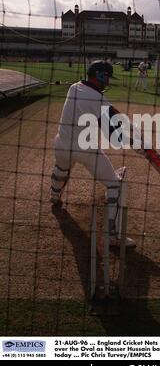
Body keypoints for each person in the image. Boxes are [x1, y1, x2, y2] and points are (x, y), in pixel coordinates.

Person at [50, 59, 136, 248]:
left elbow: (111, 113)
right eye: (106, 77)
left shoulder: (74, 87)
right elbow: (114, 134)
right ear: (100, 76)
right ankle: (113, 236)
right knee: (115, 185)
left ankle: (54, 197)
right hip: (86, 149)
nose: (108, 82)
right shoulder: (98, 99)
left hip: (62, 144)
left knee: (62, 167)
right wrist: (135, 141)